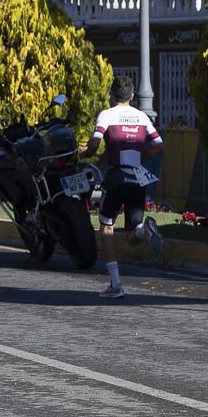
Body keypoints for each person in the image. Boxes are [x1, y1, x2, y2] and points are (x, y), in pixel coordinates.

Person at [80, 75, 165, 299]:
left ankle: (116, 284)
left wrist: (84, 153)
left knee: (106, 227)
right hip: (137, 176)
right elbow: (159, 144)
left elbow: (95, 143)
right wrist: (141, 156)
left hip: (116, 176)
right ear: (132, 96)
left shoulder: (107, 115)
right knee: (131, 234)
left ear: (111, 95)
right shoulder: (141, 116)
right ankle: (144, 231)